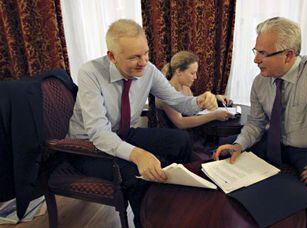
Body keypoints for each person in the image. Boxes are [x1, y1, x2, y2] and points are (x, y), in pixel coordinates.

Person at [214, 17, 307, 228]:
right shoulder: (260, 81)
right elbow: (256, 123)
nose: (255, 60)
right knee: (222, 152)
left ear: (288, 55)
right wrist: (239, 145)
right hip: (274, 141)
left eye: (263, 53)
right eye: (255, 51)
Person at [67, 19, 217, 227]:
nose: (144, 61)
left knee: (180, 141)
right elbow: (99, 134)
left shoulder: (148, 70)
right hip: (87, 147)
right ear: (112, 56)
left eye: (145, 53)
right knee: (137, 174)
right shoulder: (90, 73)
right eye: (135, 57)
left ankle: (180, 207)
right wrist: (138, 154)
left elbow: (179, 102)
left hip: (123, 133)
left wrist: (200, 101)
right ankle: (147, 223)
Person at [156, 50, 233, 129]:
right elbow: (181, 123)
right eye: (192, 73)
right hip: (177, 138)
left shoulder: (185, 88)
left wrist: (215, 99)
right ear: (179, 71)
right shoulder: (166, 92)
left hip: (191, 133)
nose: (195, 77)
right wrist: (215, 116)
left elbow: (194, 109)